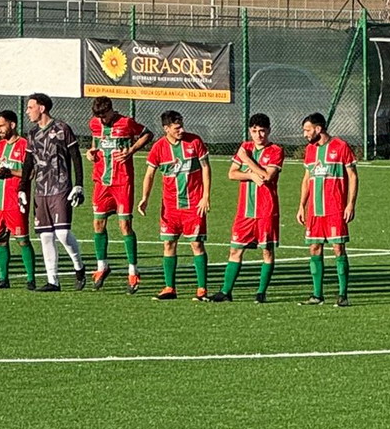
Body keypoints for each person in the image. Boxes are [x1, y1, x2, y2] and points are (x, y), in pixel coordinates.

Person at [139, 111, 211, 301]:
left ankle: (202, 289)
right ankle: (170, 287)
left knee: (196, 243)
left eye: (182, 126)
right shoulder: (158, 148)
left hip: (193, 204)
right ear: (166, 129)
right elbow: (149, 174)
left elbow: (205, 167)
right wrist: (145, 198)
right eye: (177, 128)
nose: (181, 130)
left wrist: (205, 196)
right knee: (169, 243)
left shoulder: (194, 142)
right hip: (170, 207)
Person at [213, 113, 283, 303]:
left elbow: (267, 177)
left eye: (262, 131)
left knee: (267, 251)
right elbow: (231, 174)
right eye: (254, 131)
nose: (258, 135)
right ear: (250, 131)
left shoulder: (276, 150)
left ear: (269, 130)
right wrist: (251, 175)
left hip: (266, 210)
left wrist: (248, 162)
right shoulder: (245, 147)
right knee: (235, 250)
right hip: (245, 211)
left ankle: (261, 293)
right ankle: (226, 292)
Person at [21, 92, 87, 292]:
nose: (27, 111)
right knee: (45, 236)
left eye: (30, 107)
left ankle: (79, 266)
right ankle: (53, 281)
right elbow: (28, 163)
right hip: (41, 191)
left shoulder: (62, 129)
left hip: (61, 187)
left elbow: (75, 156)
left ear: (42, 108)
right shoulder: (32, 134)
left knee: (63, 233)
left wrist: (79, 184)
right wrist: (22, 188)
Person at [87, 96, 153, 293]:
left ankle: (133, 270)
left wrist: (131, 150)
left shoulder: (126, 122)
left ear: (111, 111)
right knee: (98, 223)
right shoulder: (94, 123)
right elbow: (94, 143)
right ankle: (102, 266)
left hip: (122, 181)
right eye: (99, 116)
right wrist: (91, 153)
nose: (102, 120)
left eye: (105, 116)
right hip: (101, 181)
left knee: (125, 225)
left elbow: (148, 134)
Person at [297, 112, 359, 306]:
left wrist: (350, 204)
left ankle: (343, 295)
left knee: (338, 248)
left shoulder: (340, 146)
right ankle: (317, 295)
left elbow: (353, 176)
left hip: (335, 209)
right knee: (314, 248)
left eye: (307, 130)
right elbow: (307, 179)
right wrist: (301, 205)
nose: (305, 134)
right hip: (315, 211)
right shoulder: (310, 150)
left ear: (318, 128)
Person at [0, 110, 36, 290]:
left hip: (15, 201)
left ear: (12, 125)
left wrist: (11, 172)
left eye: (2, 126)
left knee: (22, 239)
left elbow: (30, 173)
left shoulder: (25, 145)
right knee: (0, 240)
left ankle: (31, 279)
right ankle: (3, 279)